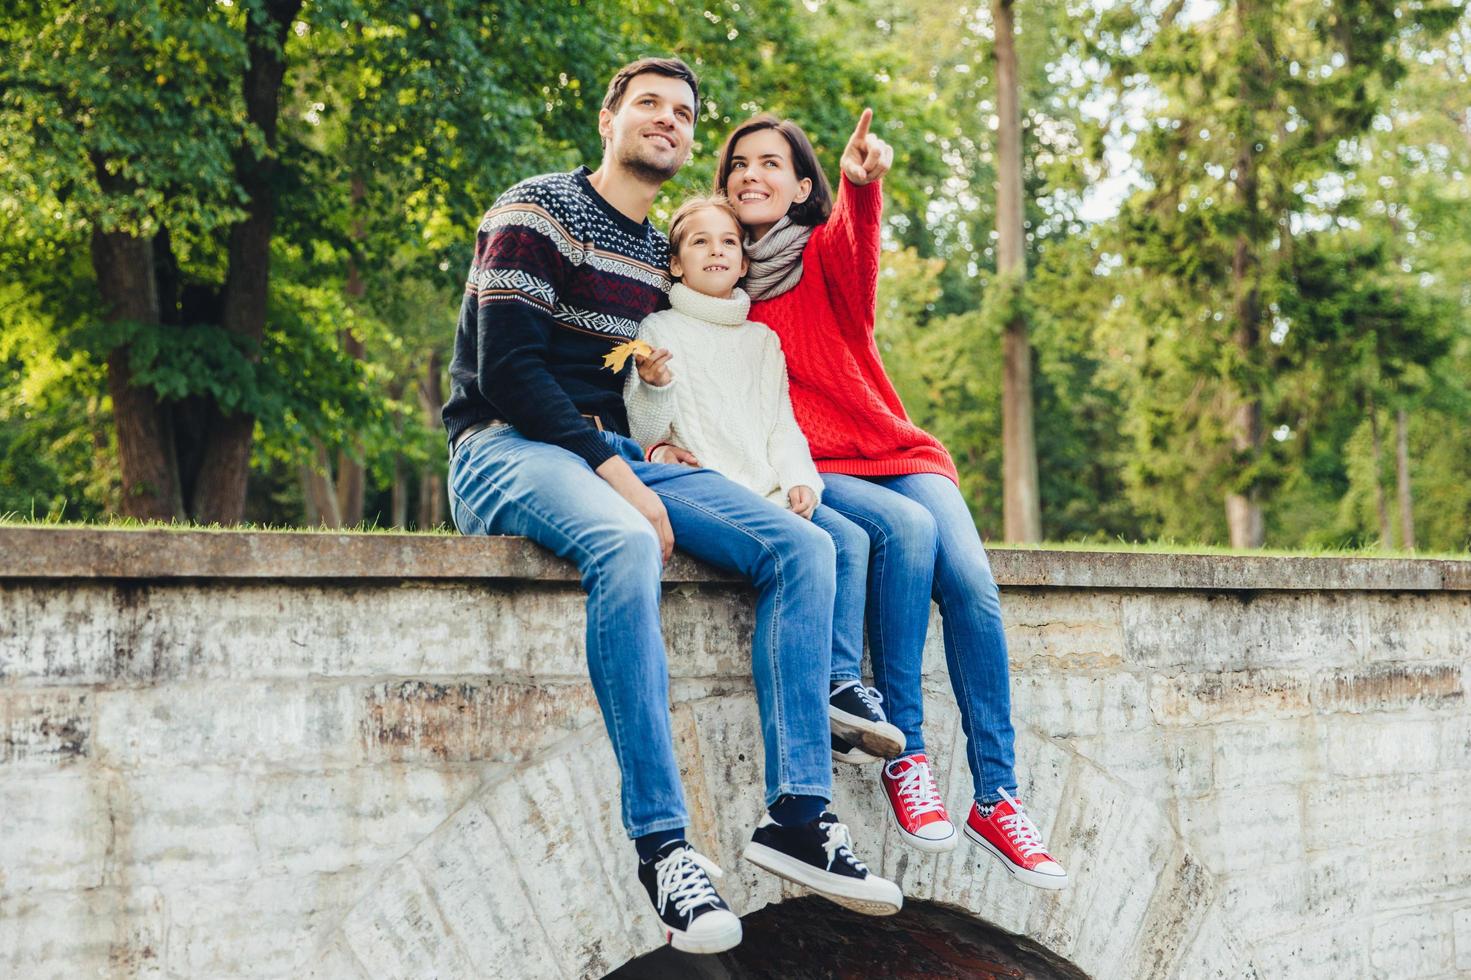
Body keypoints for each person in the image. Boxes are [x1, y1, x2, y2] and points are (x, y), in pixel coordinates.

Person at [441, 59, 902, 956]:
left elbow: (667, 361)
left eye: (683, 112)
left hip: (616, 456)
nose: (667, 119)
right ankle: (664, 850)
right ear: (607, 116)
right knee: (624, 545)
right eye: (647, 104)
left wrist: (649, 447)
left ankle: (799, 817)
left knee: (806, 549)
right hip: (503, 447)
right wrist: (617, 476)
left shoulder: (658, 254)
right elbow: (507, 370)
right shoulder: (538, 210)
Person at [705, 108, 1070, 888]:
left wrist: (861, 183)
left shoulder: (821, 255)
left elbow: (855, 240)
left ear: (802, 185)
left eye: (771, 163)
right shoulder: (718, 281)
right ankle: (906, 757)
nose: (750, 175)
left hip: (893, 449)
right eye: (738, 164)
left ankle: (998, 797)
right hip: (815, 463)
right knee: (903, 534)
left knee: (971, 582)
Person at [622, 194, 905, 762]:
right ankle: (829, 701)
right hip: (718, 490)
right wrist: (652, 385)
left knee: (848, 537)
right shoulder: (658, 326)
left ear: (744, 262)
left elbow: (782, 423)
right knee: (824, 543)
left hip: (774, 488)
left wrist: (802, 478)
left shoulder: (762, 339)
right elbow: (644, 427)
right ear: (676, 262)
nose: (717, 251)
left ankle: (840, 684)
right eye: (699, 242)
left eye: (728, 241)